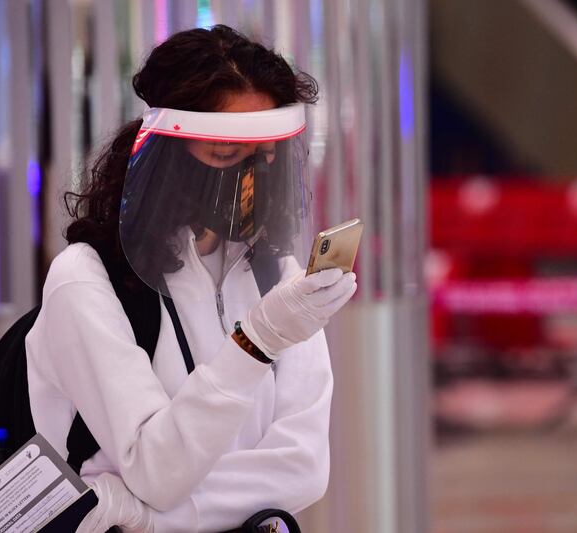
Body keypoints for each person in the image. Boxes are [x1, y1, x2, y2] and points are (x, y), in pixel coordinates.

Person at [24, 25, 357, 532]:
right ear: (164, 153)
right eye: (225, 155)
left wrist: (144, 514)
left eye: (264, 156)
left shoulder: (272, 276)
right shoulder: (88, 282)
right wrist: (256, 343)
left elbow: (305, 468)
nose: (248, 178)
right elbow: (157, 469)